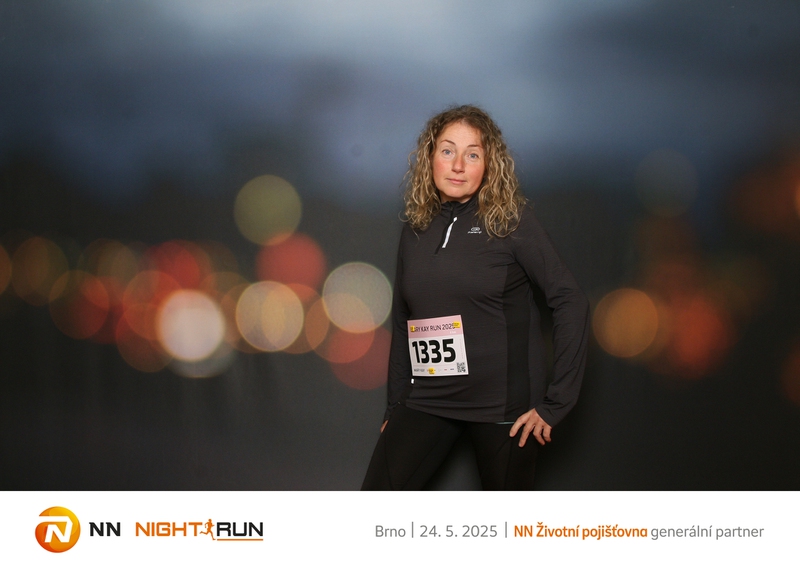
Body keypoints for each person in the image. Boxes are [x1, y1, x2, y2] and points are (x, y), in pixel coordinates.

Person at [361, 105, 589, 490]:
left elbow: (570, 300)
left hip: (503, 409)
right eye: (448, 150)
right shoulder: (416, 228)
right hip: (429, 399)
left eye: (472, 154)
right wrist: (396, 404)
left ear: (489, 165)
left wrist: (556, 403)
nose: (458, 166)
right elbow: (403, 320)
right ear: (430, 157)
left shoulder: (511, 221)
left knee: (507, 523)